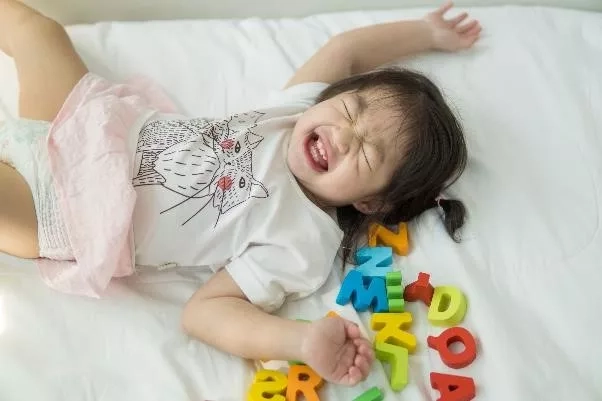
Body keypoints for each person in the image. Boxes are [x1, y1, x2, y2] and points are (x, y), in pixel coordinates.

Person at [0, 0, 480, 386]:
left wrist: (301, 341)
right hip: (85, 123)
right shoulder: (293, 114)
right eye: (350, 110)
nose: (344, 134)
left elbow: (206, 314)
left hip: (62, 209)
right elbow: (346, 51)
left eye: (368, 155)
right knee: (35, 29)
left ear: (371, 203)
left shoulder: (301, 243)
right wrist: (427, 34)